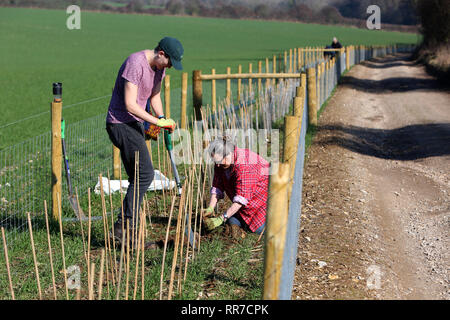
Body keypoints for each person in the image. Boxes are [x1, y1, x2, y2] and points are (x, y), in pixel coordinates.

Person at [106, 37, 184, 245]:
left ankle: (124, 230)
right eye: (169, 62)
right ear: (161, 54)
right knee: (145, 173)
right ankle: (123, 227)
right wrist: (155, 122)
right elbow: (130, 105)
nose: (169, 67)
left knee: (137, 176)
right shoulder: (135, 63)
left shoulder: (159, 69)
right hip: (120, 124)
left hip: (134, 124)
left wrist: (162, 118)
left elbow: (154, 97)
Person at [203, 137, 269, 236]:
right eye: (215, 162)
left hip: (262, 199)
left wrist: (221, 218)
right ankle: (239, 222)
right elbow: (217, 185)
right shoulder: (221, 163)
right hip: (246, 202)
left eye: (219, 161)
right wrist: (210, 208)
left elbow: (240, 200)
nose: (217, 166)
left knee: (258, 230)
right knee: (231, 221)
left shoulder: (246, 165)